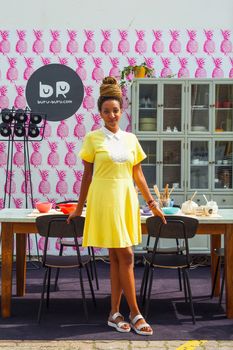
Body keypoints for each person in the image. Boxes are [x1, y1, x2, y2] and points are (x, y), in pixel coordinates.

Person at [68, 76, 166, 336]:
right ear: (100, 113)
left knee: (115, 258)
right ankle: (135, 312)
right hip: (104, 200)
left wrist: (153, 204)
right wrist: (79, 207)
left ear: (122, 111)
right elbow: (87, 176)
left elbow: (139, 176)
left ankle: (114, 313)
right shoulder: (93, 138)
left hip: (125, 200)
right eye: (106, 111)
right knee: (127, 256)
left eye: (115, 110)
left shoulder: (131, 139)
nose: (112, 115)